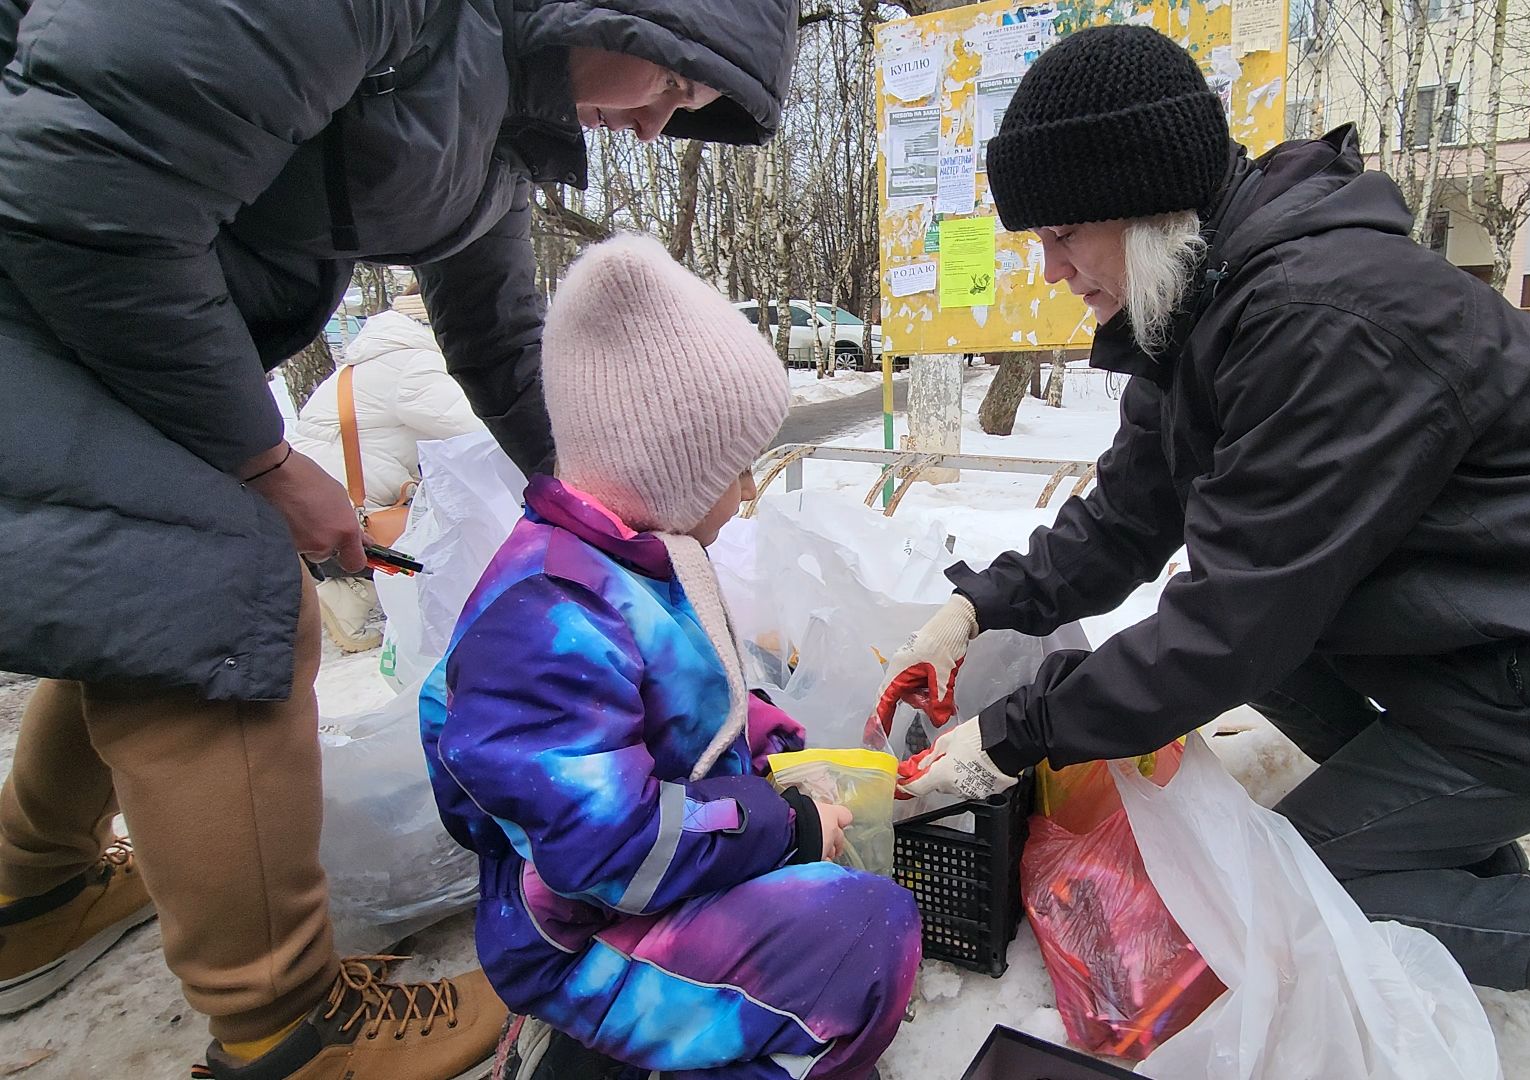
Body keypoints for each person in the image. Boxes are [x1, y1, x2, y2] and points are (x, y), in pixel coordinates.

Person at [882, 25, 1530, 1080]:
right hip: (1479, 637)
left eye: (1062, 235)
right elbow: (1135, 515)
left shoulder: (1321, 319)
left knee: (1310, 888)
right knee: (1247, 671)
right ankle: (1450, 864)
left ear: (1142, 200)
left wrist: (1019, 731)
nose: (1050, 271)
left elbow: (1234, 626)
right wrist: (981, 606)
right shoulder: (1205, 301)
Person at [0, 1, 800, 1077]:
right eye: (672, 86)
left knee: (129, 579)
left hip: (103, 281)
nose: (657, 128)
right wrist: (267, 463)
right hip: (48, 239)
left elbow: (505, 346)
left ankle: (32, 885)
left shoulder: (497, 120)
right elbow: (80, 173)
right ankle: (289, 1033)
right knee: (209, 584)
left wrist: (618, 499)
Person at [421, 234, 920, 1080]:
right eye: (737, 469)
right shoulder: (545, 616)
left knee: (854, 936)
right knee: (868, 937)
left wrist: (775, 747)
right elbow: (605, 850)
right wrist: (786, 824)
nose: (748, 491)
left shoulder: (638, 559)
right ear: (673, 467)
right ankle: (589, 1049)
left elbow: (695, 699)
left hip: (648, 889)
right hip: (576, 940)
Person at [291, 288, 487, 651]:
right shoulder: (413, 362)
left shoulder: (374, 359)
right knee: (446, 537)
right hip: (350, 508)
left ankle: (351, 587)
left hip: (312, 495)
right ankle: (354, 594)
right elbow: (475, 427)